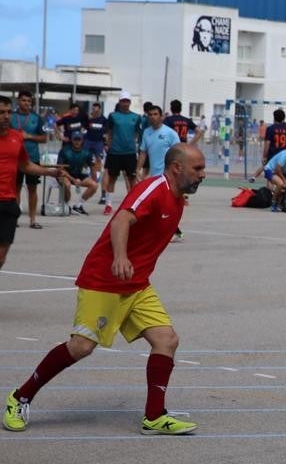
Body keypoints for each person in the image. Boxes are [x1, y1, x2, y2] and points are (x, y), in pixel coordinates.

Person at [3, 143, 206, 435]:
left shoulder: (177, 198)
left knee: (167, 340)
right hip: (105, 280)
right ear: (177, 168)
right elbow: (122, 218)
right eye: (197, 169)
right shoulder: (154, 189)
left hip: (137, 285)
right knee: (81, 346)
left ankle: (154, 416)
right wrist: (121, 257)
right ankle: (19, 397)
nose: (202, 174)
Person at [0, 96, 63, 270]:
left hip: (8, 202)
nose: (6, 117)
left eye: (8, 112)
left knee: (2, 256)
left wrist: (48, 172)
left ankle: (32, 218)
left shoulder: (16, 138)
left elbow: (25, 164)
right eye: (1, 113)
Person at [103, 93, 144, 215]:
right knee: (112, 178)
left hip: (130, 152)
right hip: (115, 152)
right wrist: (109, 145)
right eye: (123, 101)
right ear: (119, 102)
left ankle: (131, 205)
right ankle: (108, 205)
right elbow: (109, 132)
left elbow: (137, 133)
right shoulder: (113, 116)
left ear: (130, 102)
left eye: (127, 101)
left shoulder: (136, 117)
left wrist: (132, 143)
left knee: (132, 179)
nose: (125, 103)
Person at [13, 90, 46, 229]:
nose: (26, 103)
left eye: (29, 101)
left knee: (32, 189)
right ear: (18, 101)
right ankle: (14, 219)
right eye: (23, 100)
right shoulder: (11, 117)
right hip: (14, 157)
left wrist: (29, 136)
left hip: (32, 158)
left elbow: (44, 138)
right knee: (15, 189)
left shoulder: (37, 118)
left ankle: (33, 219)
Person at [57, 132, 98, 214]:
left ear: (82, 140)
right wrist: (73, 180)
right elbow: (60, 169)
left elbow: (93, 168)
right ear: (72, 140)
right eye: (75, 139)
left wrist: (94, 179)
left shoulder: (87, 152)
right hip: (65, 175)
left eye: (79, 139)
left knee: (94, 185)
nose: (77, 142)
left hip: (79, 175)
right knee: (67, 185)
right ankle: (66, 205)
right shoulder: (64, 150)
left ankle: (78, 205)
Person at [138, 105, 180, 181]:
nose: (152, 117)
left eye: (155, 114)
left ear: (161, 116)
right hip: (153, 175)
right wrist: (137, 169)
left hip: (167, 176)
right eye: (150, 115)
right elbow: (143, 153)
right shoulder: (146, 132)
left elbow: (178, 154)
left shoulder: (170, 133)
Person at [84, 103, 108, 195]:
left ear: (100, 110)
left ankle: (97, 175)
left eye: (96, 109)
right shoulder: (89, 119)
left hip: (99, 142)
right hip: (88, 140)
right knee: (85, 156)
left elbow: (106, 132)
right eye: (93, 109)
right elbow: (84, 129)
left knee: (98, 158)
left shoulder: (104, 120)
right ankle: (86, 172)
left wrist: (105, 143)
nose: (94, 111)